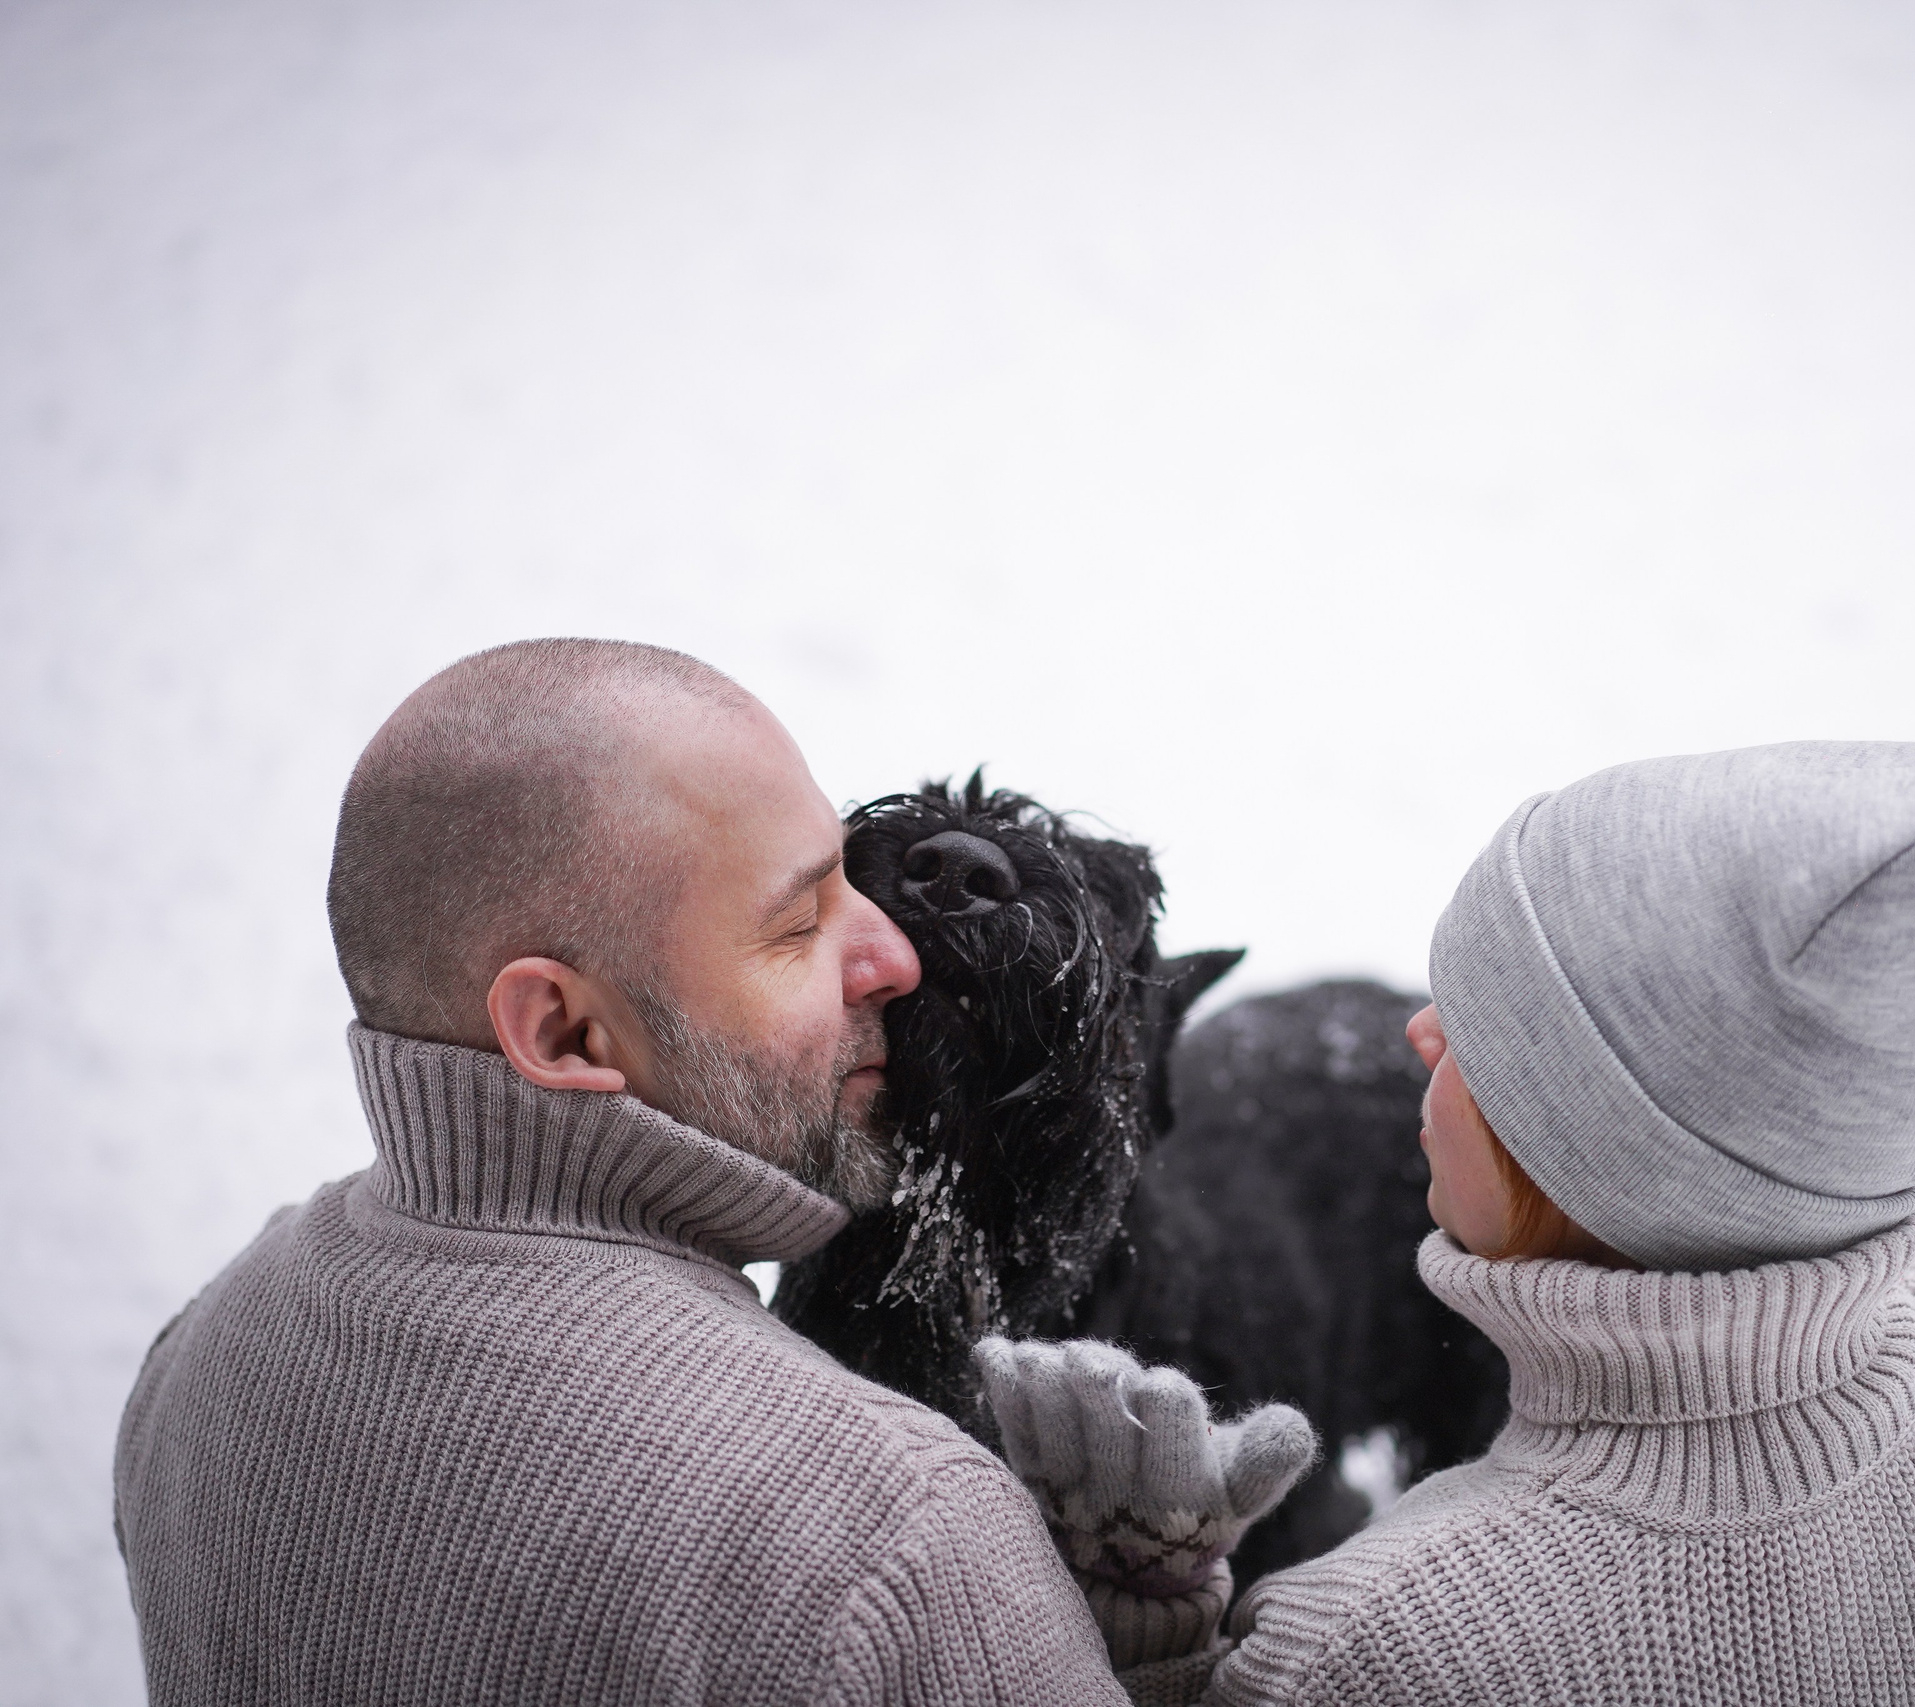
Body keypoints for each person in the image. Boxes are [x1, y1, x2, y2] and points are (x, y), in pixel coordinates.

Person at [112, 638, 1310, 1706]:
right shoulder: (903, 1537)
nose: (896, 950)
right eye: (799, 925)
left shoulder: (199, 1347)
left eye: (850, 882)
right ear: (570, 1033)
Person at [976, 741, 1915, 1705]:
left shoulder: (1387, 1647)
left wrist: (1144, 1633)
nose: (1416, 1031)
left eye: (1478, 1028)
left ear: (1595, 1139)